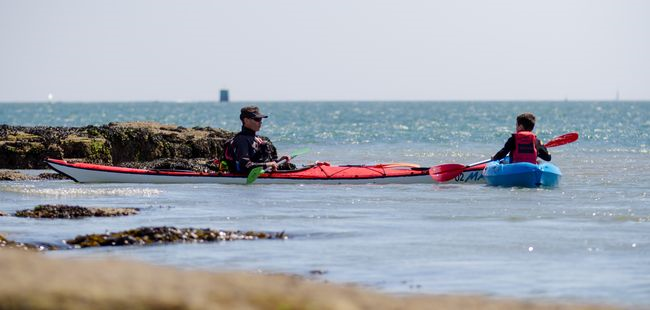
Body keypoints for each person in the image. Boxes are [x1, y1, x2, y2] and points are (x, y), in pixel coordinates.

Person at [222, 106, 289, 173]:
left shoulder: (258, 139)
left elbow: (263, 162)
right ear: (246, 120)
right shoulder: (242, 140)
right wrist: (267, 165)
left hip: (262, 173)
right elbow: (245, 166)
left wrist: (279, 161)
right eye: (257, 119)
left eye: (261, 119)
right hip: (244, 176)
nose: (260, 122)